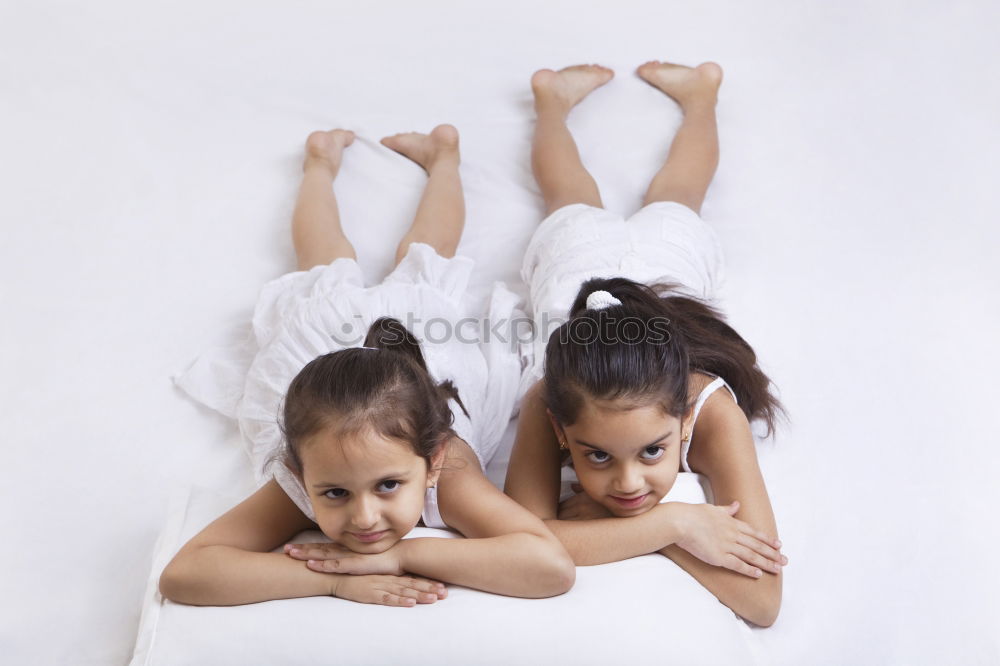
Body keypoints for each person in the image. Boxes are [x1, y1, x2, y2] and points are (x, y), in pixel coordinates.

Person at [160, 125, 575, 608]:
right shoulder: (303, 472)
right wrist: (333, 580)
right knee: (323, 264)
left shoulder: (451, 473)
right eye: (334, 493)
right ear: (298, 469)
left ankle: (444, 156)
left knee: (426, 259)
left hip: (416, 336)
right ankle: (319, 164)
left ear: (433, 462)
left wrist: (403, 557)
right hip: (331, 354)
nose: (363, 517)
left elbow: (549, 567)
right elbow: (185, 574)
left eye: (389, 486)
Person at [504, 62, 787, 626]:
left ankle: (702, 95)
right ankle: (551, 102)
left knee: (678, 193)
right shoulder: (549, 398)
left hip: (657, 263)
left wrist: (597, 527)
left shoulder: (712, 412)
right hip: (579, 265)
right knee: (568, 194)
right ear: (563, 431)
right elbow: (521, 547)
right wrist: (671, 524)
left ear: (683, 421)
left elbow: (764, 602)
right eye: (598, 455)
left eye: (653, 451)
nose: (627, 484)